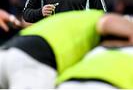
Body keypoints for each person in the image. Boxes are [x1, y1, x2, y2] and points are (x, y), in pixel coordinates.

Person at [0, 9, 133, 89]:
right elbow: (107, 23)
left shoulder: (80, 20)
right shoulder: (102, 19)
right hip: (36, 61)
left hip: (9, 52)